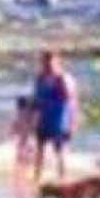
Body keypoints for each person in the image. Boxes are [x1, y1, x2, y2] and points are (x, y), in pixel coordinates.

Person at [32, 50, 78, 183]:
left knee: (60, 152)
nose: (47, 66)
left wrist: (73, 123)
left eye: (50, 63)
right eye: (45, 62)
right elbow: (36, 101)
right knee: (39, 151)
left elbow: (72, 101)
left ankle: (63, 180)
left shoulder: (64, 79)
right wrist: (29, 120)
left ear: (57, 62)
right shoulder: (40, 78)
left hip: (60, 122)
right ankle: (37, 179)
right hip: (44, 120)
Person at [10, 95, 38, 167]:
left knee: (23, 149)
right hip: (26, 135)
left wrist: (12, 133)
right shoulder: (27, 114)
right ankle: (26, 162)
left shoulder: (20, 114)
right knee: (27, 149)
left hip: (25, 135)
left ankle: (23, 162)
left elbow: (14, 125)